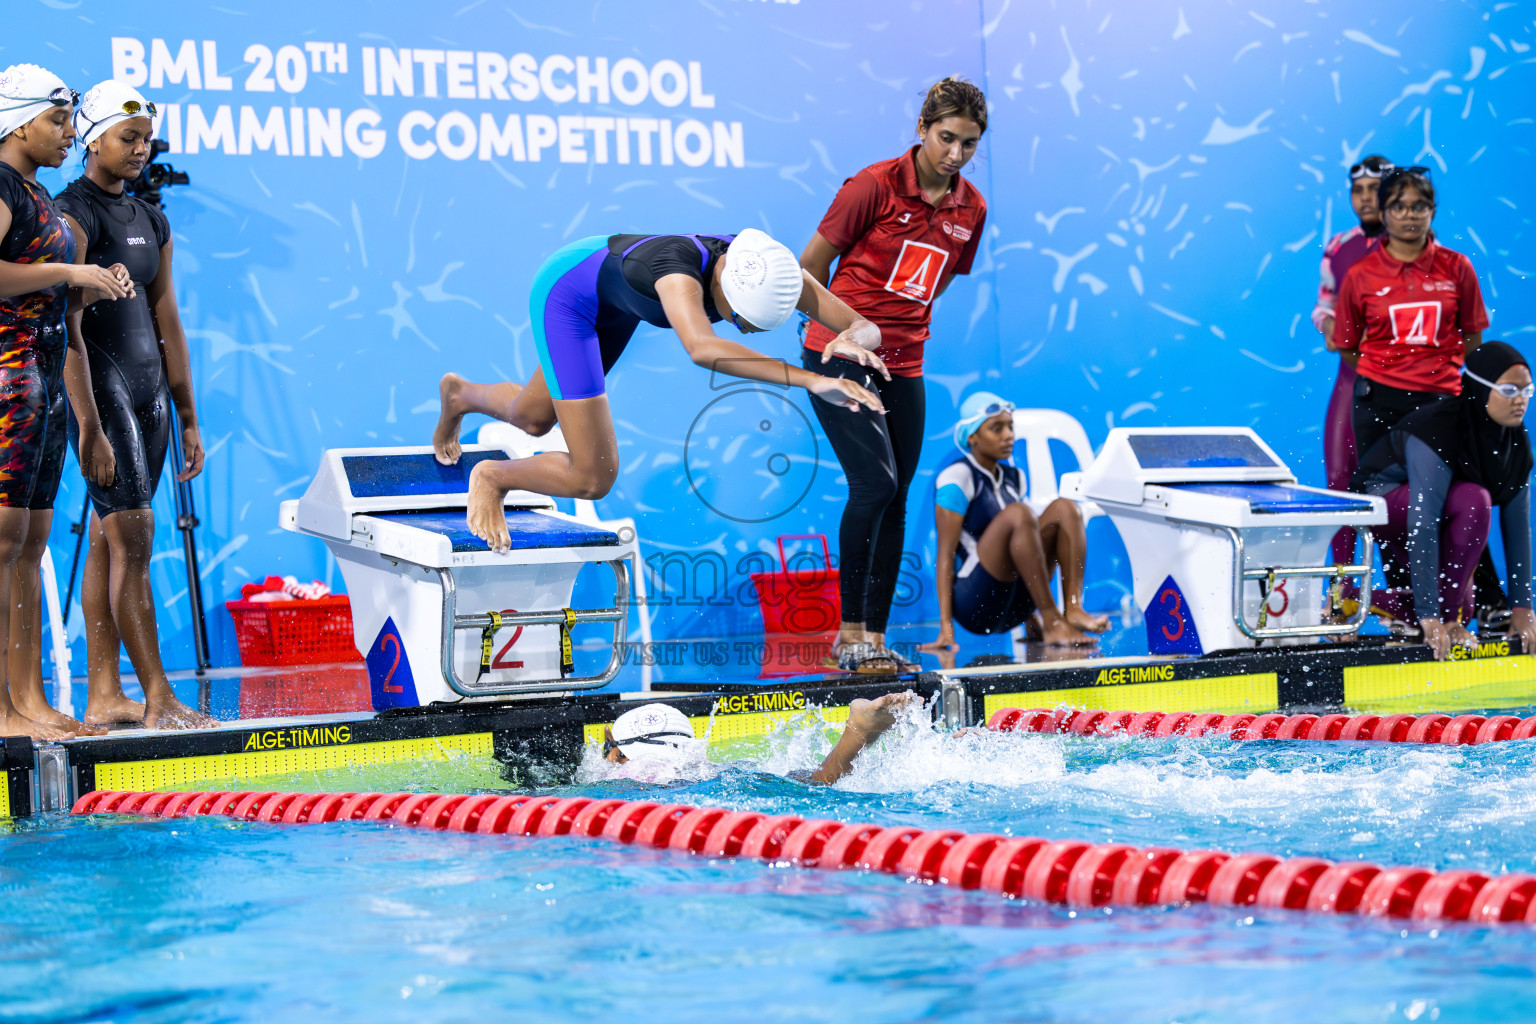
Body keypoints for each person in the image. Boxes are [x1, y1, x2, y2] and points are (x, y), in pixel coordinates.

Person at [432, 229, 887, 554]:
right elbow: (702, 348)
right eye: (740, 319)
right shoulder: (676, 275)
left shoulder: (773, 271)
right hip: (569, 293)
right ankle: (493, 476)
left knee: (532, 418)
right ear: (726, 286)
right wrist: (813, 379)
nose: (743, 329)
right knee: (593, 476)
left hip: (613, 302)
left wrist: (851, 339)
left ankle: (459, 395)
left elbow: (866, 327)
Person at [798, 77, 988, 673]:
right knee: (873, 485)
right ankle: (848, 633)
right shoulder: (872, 186)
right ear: (922, 129)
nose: (954, 154)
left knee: (899, 494)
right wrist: (845, 330)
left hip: (905, 362)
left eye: (969, 144)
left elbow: (941, 281)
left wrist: (901, 333)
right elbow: (807, 270)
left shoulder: (972, 208)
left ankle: (874, 641)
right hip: (839, 352)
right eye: (945, 138)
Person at [47, 81, 212, 730]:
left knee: (109, 546)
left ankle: (105, 695)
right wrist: (88, 424)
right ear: (91, 139)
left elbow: (166, 312)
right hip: (100, 390)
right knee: (134, 538)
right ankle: (158, 699)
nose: (140, 149)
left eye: (147, 138)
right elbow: (63, 323)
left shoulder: (151, 220)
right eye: (127, 138)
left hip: (150, 393)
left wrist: (189, 413)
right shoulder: (71, 216)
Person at [0, 64, 134, 740]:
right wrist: (68, 269)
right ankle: (2, 706)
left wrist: (88, 283)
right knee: (2, 545)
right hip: (6, 379)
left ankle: (28, 703)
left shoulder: (36, 195)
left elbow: (48, 289)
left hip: (42, 382)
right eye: (56, 121)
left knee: (26, 545)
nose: (66, 133)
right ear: (19, 122)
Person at [1332, 166, 1507, 624]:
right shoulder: (1361, 274)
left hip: (1442, 406)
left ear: (1433, 211)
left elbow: (1473, 339)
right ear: (1384, 213)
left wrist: (1435, 376)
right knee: (1397, 514)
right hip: (1381, 407)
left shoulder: (1457, 268)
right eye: (1400, 206)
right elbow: (1348, 343)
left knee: (1460, 500)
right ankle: (1408, 608)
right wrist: (1394, 373)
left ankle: (1483, 602)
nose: (1410, 215)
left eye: (1420, 206)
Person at [1351, 342, 1536, 660]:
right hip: (1380, 506)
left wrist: (1523, 607)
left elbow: (1518, 530)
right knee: (1476, 499)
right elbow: (1423, 521)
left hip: (1430, 508)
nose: (1520, 400)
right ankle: (1439, 618)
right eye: (1508, 390)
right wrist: (1435, 619)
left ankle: (1351, 598)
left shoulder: (1514, 441)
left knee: (1465, 608)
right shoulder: (1440, 426)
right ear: (1480, 388)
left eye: (1527, 390)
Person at [920, 393, 1106, 655]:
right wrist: (945, 627)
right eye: (997, 428)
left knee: (1065, 507)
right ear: (971, 436)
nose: (1008, 435)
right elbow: (945, 555)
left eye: (1010, 427)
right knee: (1018, 514)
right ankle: (1054, 620)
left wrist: (1030, 619)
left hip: (1013, 605)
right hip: (975, 605)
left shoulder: (1014, 477)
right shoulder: (956, 477)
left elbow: (1023, 546)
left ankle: (1072, 609)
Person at [1314, 155, 1392, 568]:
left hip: (1398, 384)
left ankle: (1411, 594)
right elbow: (1325, 303)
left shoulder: (1411, 247)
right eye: (1357, 191)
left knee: (1401, 486)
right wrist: (1327, 325)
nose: (1365, 199)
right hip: (1350, 380)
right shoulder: (1339, 247)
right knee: (1341, 482)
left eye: (1374, 190)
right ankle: (1343, 590)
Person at [601, 691, 911, 785]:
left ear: (618, 753)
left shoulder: (630, 779)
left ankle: (857, 733)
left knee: (813, 785)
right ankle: (858, 734)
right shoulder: (707, 768)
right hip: (732, 779)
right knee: (806, 781)